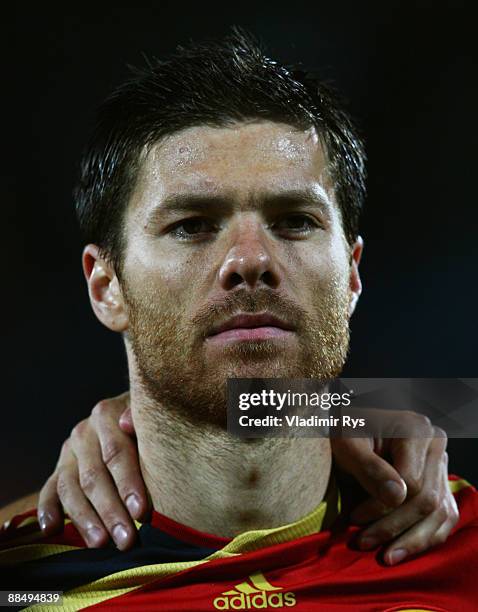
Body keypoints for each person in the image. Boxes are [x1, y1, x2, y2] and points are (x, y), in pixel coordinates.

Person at [1, 29, 477, 610]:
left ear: (351, 274)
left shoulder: (463, 550)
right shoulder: (24, 581)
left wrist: (399, 406)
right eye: (192, 225)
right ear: (107, 287)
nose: (251, 260)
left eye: (295, 220)